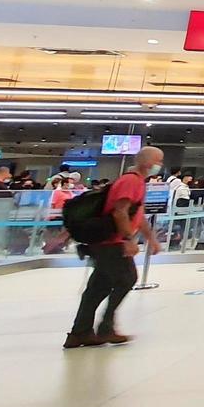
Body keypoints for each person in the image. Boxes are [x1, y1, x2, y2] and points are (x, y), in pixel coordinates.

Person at [64, 146, 162, 349]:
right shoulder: (131, 181)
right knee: (127, 278)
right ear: (147, 163)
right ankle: (105, 327)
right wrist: (128, 239)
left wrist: (150, 238)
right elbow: (120, 212)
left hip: (108, 242)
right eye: (158, 161)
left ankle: (79, 332)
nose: (159, 166)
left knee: (97, 287)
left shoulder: (138, 182)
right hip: (111, 242)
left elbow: (137, 214)